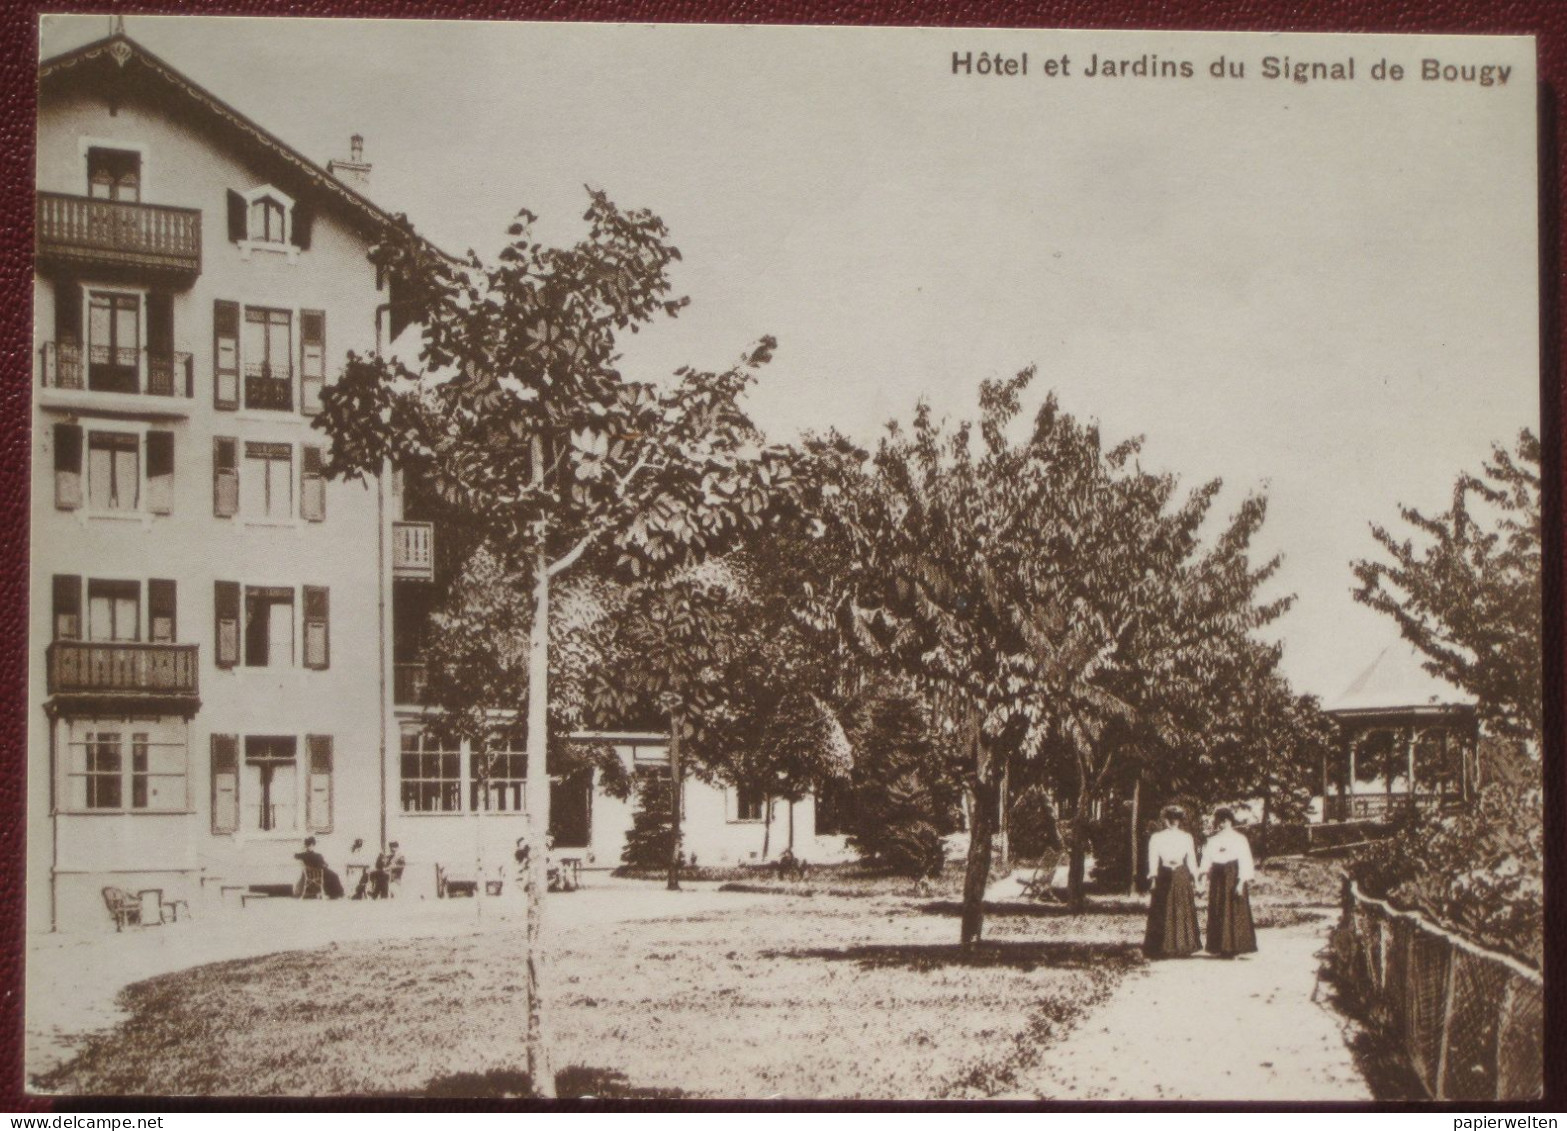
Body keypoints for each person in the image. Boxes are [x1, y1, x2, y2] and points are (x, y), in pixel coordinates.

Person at [1143, 805, 1201, 958]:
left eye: (1177, 819)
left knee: (1181, 908)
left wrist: (1196, 880)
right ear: (1166, 820)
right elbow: (1153, 859)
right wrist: (1153, 879)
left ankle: (1183, 946)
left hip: (1181, 873)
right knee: (1164, 908)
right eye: (1171, 819)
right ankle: (1162, 946)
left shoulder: (1186, 837)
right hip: (1164, 874)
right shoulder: (1157, 837)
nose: (1174, 822)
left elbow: (1192, 860)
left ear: (1180, 821)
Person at [1201, 807, 1258, 957]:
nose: (1221, 824)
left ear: (1230, 821)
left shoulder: (1240, 839)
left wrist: (1240, 883)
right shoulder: (1213, 840)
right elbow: (1206, 861)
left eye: (1224, 821)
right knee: (1219, 909)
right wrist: (1202, 880)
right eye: (1219, 821)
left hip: (1234, 876)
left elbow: (1245, 862)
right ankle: (1220, 946)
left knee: (1235, 910)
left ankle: (1236, 946)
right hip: (1218, 879)